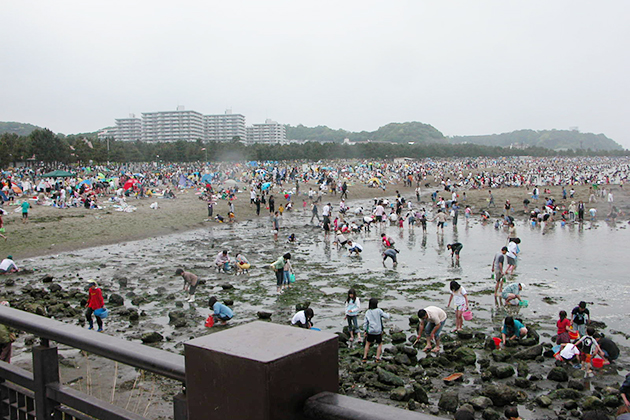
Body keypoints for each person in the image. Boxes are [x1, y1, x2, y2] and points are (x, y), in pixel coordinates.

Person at [362, 298, 390, 362]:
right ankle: (377, 358)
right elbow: (386, 316)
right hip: (378, 331)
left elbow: (365, 322)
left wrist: (365, 330)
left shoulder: (368, 312)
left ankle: (364, 357)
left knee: (368, 343)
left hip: (370, 331)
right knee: (379, 344)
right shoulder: (378, 311)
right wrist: (388, 313)